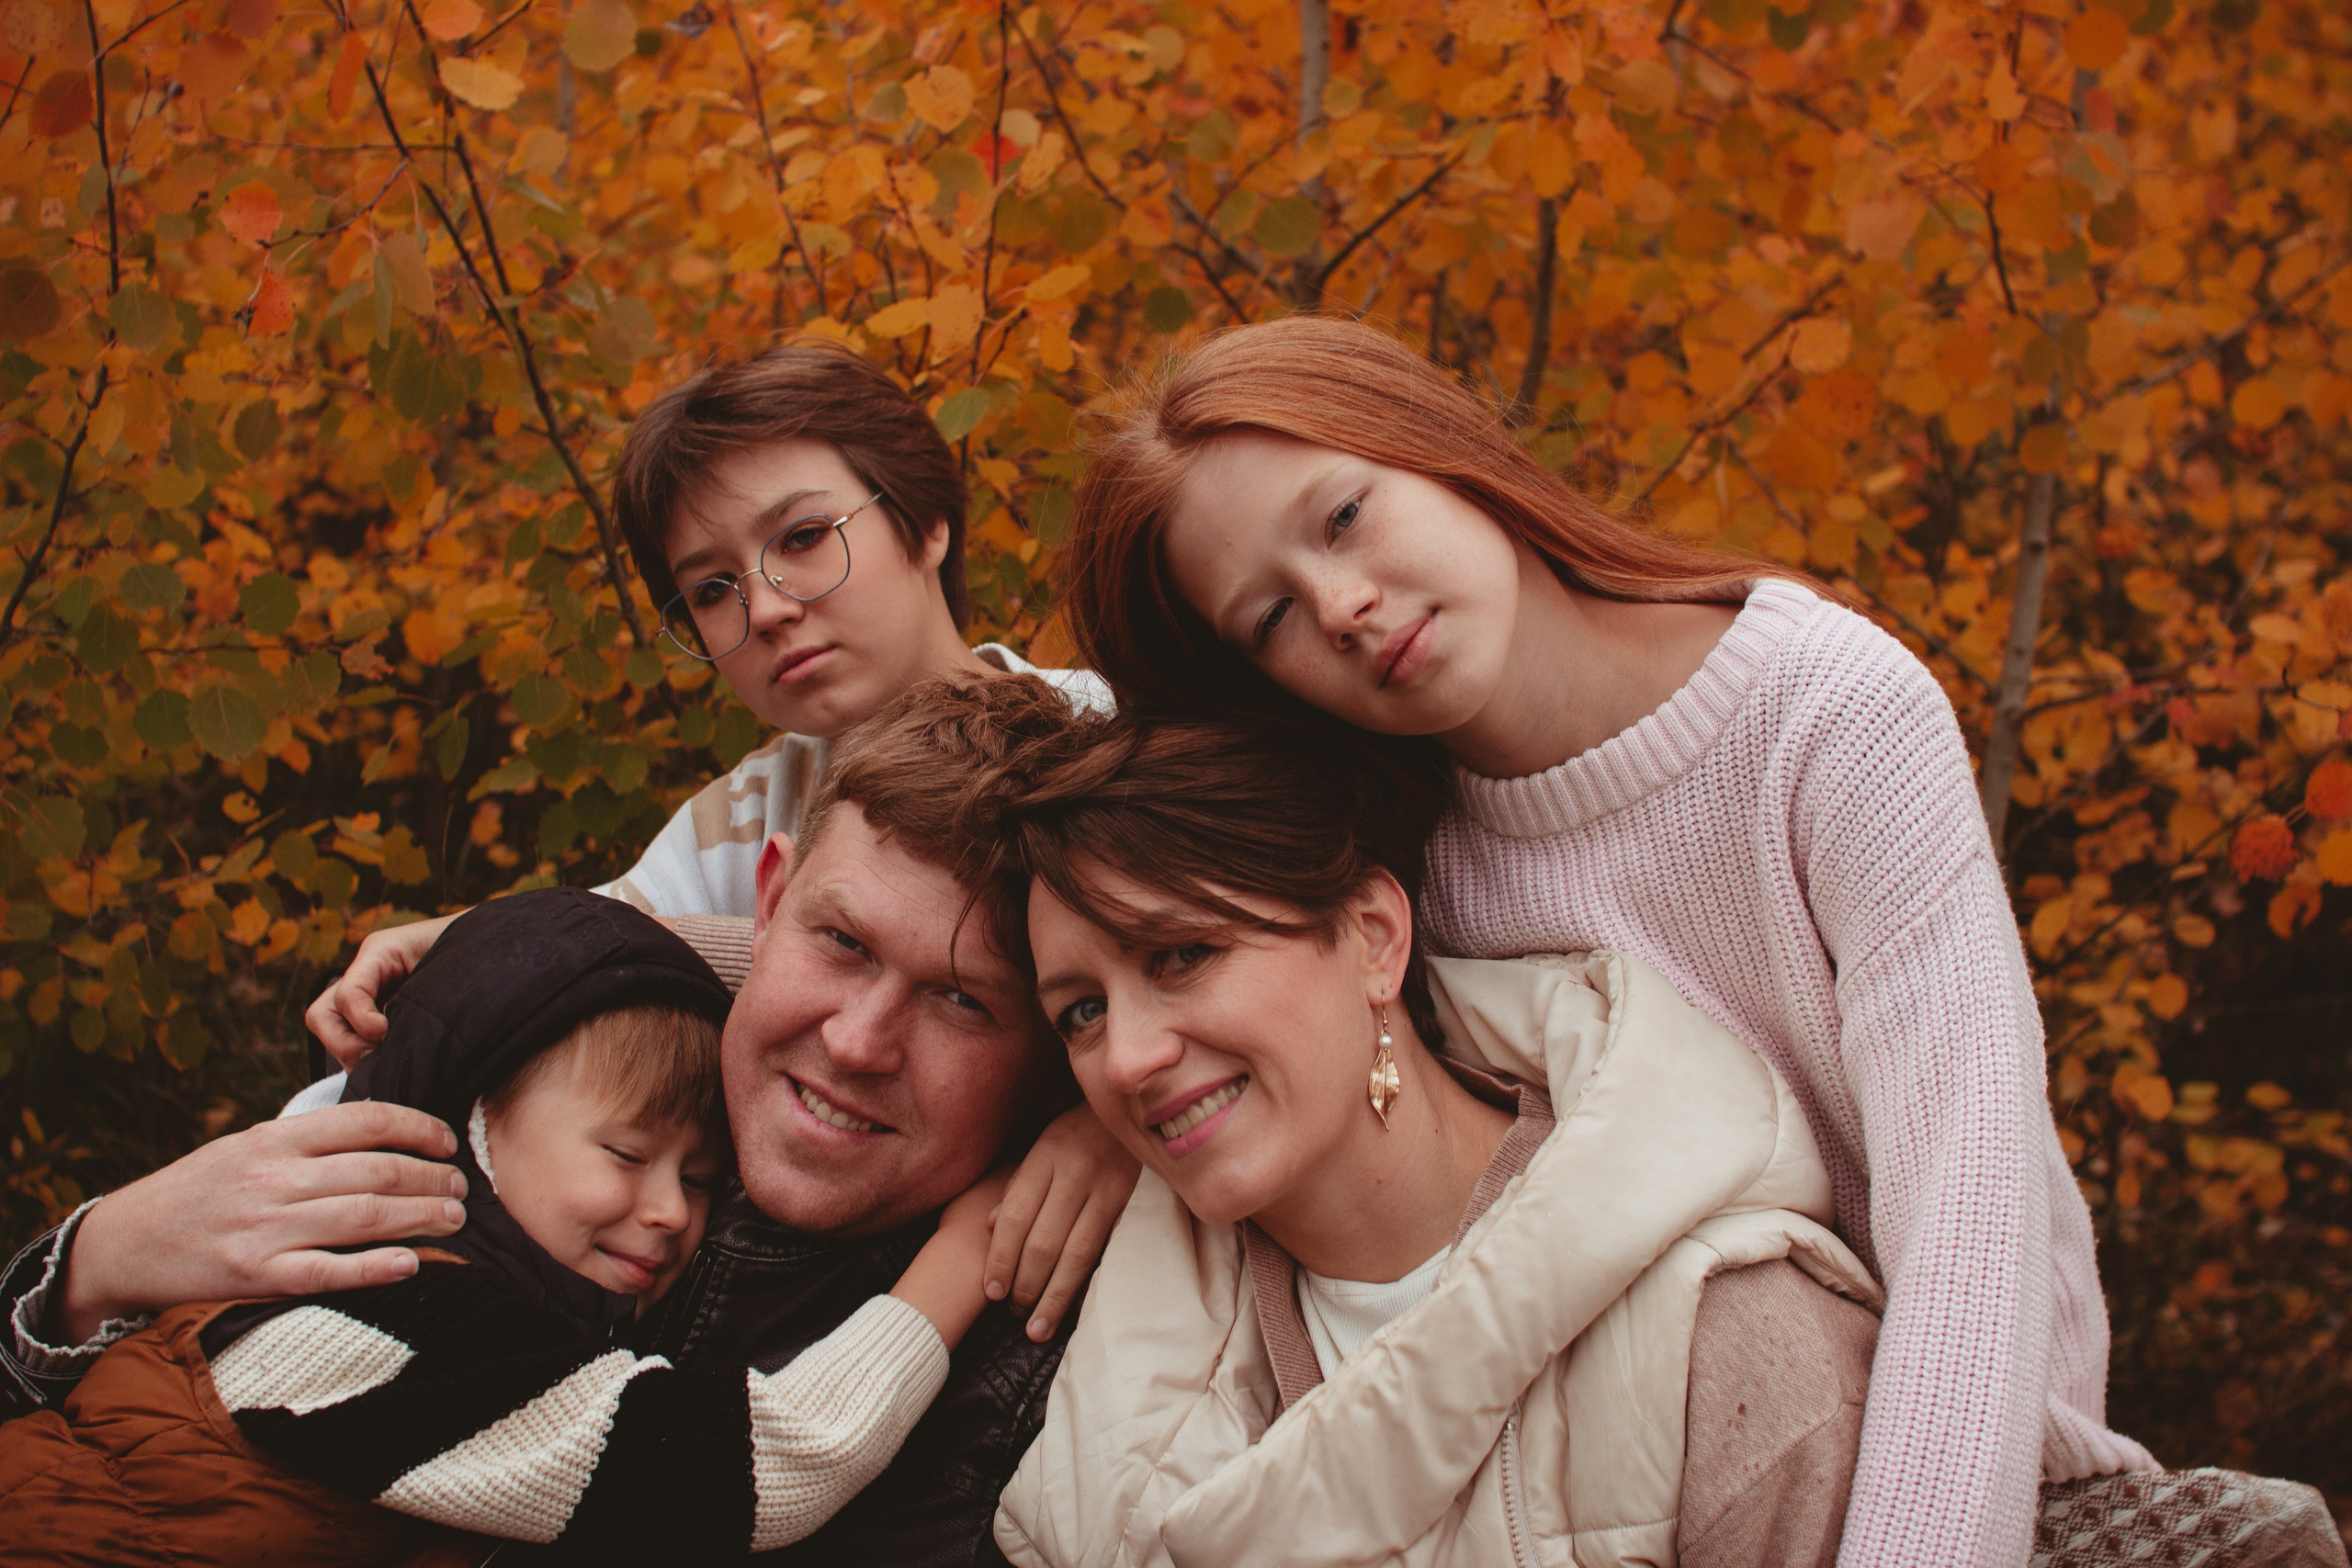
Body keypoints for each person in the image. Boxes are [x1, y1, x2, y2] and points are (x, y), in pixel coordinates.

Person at [1054, 315, 2157, 1564]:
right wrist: (1084, 1121)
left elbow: (1970, 1211)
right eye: (1271, 620)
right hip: (1651, 1471)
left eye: (1344, 517)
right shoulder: (1408, 845)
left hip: (1966, 1464)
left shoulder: (1826, 713)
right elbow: (1086, 786)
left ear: (1436, 440)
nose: (1344, 606)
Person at [0, 678, 1136, 1566]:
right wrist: (88, 1270)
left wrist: (1112, 1121)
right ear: (771, 898)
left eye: (960, 1000)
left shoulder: (1035, 1353)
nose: (853, 1042)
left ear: (1056, 1033)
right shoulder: (523, 1106)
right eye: (840, 943)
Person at [296, 337, 1125, 1335]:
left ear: (928, 524)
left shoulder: (1117, 744)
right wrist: (462, 953)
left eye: (806, 538)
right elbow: (584, 967)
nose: (767, 609)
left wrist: (1113, 1128)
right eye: (712, 590)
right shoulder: (741, 825)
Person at [967, 706, 1887, 1566]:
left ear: (1371, 937)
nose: (1125, 1061)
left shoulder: (1736, 1350)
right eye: (1082, 1012)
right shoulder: (1080, 1377)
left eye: (1181, 955)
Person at [0, 888, 1008, 1564]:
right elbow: (765, 1467)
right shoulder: (399, 1318)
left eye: (702, 1180)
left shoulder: (357, 1274)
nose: (668, 1211)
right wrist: (967, 1249)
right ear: (471, 1126)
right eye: (623, 1156)